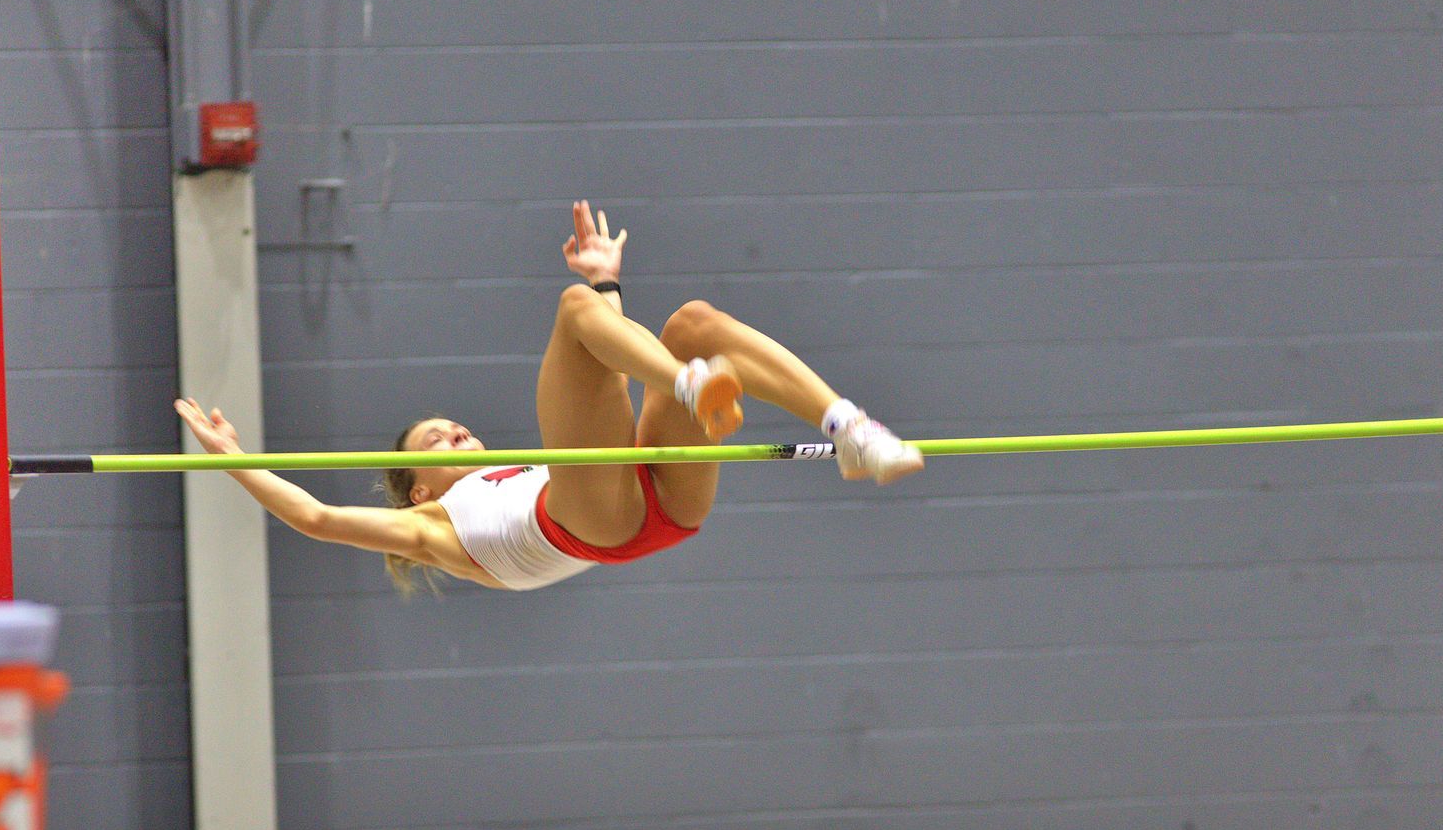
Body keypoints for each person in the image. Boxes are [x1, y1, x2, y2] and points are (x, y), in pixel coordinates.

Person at [175, 200, 923, 594]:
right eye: (435, 440)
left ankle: (850, 431)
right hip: (595, 522)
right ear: (418, 487)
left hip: (652, 498)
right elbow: (317, 517)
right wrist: (233, 460)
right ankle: (693, 382)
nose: (457, 429)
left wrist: (609, 283)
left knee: (692, 323)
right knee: (574, 311)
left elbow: (611, 365)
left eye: (452, 423)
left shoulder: (523, 470)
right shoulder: (435, 529)